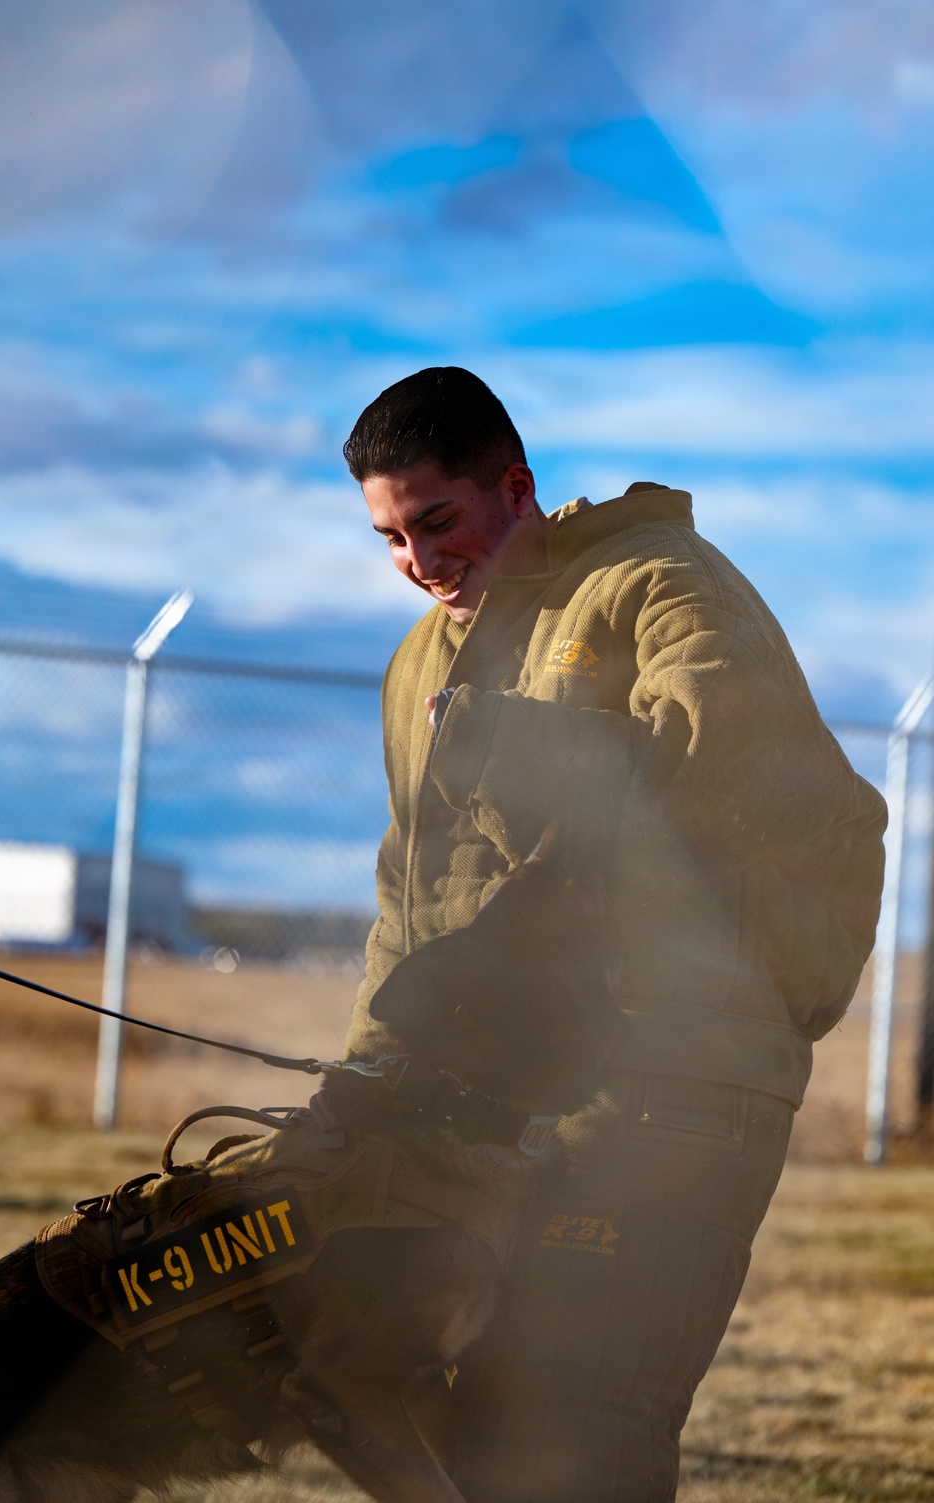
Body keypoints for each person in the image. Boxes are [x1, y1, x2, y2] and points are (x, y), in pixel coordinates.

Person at [340, 365, 887, 1502]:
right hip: (496, 1096)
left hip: (674, 1076)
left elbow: (720, 797)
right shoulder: (415, 665)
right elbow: (410, 893)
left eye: (438, 521)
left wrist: (506, 748)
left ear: (515, 485)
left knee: (577, 1430)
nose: (421, 562)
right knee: (443, 1413)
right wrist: (366, 1082)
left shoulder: (659, 589)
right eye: (391, 539)